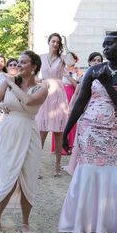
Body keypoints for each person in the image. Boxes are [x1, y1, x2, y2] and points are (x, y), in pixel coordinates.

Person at [58, 31, 117, 233]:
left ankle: (114, 225)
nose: (105, 48)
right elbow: (80, 102)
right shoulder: (94, 70)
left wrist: (107, 84)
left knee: (115, 175)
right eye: (103, 44)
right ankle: (80, 224)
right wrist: (67, 130)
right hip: (90, 132)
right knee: (87, 174)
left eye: (110, 44)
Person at [0, 51, 47, 233]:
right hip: (10, 130)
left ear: (34, 66)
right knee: (9, 177)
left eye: (23, 62)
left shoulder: (42, 87)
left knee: (28, 178)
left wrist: (12, 83)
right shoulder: (6, 82)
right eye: (18, 62)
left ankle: (25, 222)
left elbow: (28, 101)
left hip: (29, 131)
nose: (18, 65)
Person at [35, 33, 70, 176]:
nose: (55, 44)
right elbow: (32, 73)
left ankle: (58, 165)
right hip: (44, 93)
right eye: (53, 41)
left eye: (57, 42)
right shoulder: (41, 57)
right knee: (41, 132)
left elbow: (72, 60)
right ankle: (35, 167)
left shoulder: (62, 59)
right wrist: (39, 81)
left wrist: (66, 46)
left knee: (58, 132)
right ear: (49, 42)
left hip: (58, 95)